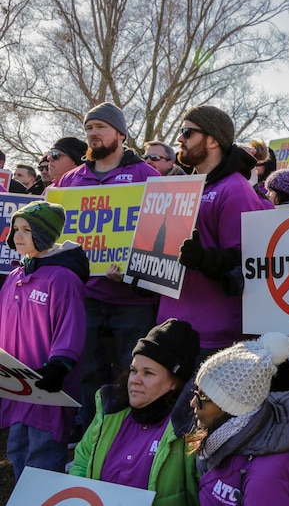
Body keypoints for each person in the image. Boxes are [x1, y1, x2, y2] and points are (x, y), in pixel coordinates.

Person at [54, 103, 162, 429]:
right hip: (86, 296)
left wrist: (133, 270)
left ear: (120, 134)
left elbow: (162, 234)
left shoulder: (147, 175)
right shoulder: (71, 182)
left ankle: (132, 439)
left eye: (100, 126)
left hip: (133, 300)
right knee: (88, 373)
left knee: (133, 375)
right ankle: (91, 439)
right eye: (89, 127)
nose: (93, 133)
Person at [158, 105, 271, 362]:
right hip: (170, 326)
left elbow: (246, 261)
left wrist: (203, 259)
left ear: (212, 140)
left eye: (187, 132)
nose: (180, 139)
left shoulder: (235, 189)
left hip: (214, 334)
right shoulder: (181, 187)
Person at [0, 201, 89, 479]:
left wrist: (59, 366)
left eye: (27, 230)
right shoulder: (15, 275)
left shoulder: (63, 278)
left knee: (43, 453)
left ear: (45, 235)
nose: (18, 236)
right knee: (17, 448)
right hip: (18, 386)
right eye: (16, 229)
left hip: (48, 385)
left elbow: (70, 327)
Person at [71, 319, 201, 505]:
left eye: (148, 373)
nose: (135, 380)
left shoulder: (189, 428)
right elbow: (81, 464)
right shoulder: (109, 410)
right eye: (133, 371)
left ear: (175, 382)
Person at [189, 333, 289, 506]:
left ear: (231, 407)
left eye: (203, 396)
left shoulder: (266, 478)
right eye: (196, 392)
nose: (193, 402)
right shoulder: (221, 443)